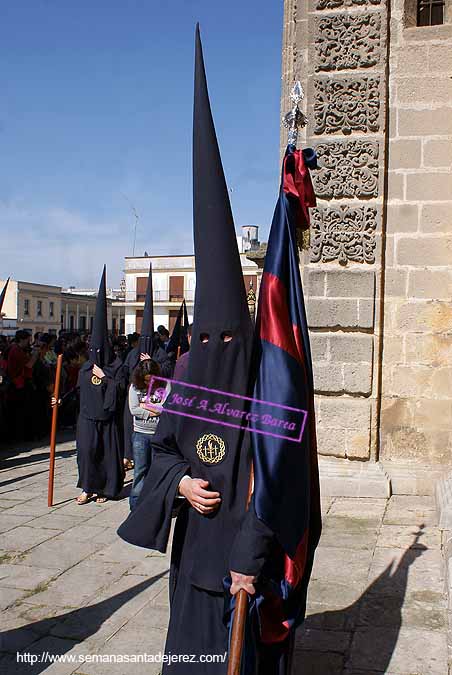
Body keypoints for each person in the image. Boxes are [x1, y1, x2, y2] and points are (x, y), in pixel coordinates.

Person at [118, 27, 275, 673]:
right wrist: (179, 481)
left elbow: (278, 484)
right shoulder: (188, 386)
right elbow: (161, 446)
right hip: (192, 557)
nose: (214, 349)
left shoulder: (267, 397)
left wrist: (252, 556)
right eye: (204, 338)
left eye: (225, 338)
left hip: (240, 567)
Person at [75, 266, 125, 505]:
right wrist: (59, 401)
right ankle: (87, 487)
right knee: (86, 455)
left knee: (104, 456)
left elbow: (120, 390)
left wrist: (105, 378)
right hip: (86, 419)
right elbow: (77, 392)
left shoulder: (116, 366)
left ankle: (105, 489)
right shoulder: (84, 369)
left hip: (107, 421)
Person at [122, 264, 172, 471]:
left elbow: (168, 373)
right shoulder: (132, 354)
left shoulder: (161, 353)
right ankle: (128, 457)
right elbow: (125, 374)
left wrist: (153, 363)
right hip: (135, 410)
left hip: (155, 415)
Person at [128, 358, 165, 510]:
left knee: (157, 470)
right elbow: (133, 410)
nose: (150, 384)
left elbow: (165, 408)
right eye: (146, 380)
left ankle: (155, 502)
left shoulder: (164, 386)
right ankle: (136, 504)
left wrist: (146, 405)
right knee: (140, 470)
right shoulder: (134, 388)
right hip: (140, 433)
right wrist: (155, 409)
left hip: (158, 433)